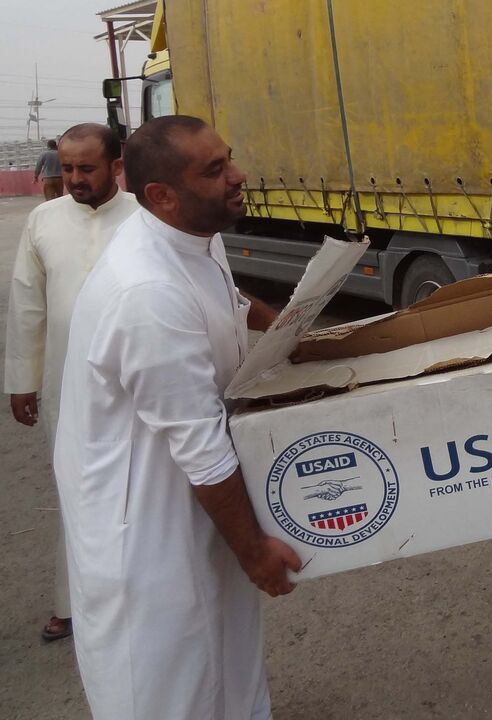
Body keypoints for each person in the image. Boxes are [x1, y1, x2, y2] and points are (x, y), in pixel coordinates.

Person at [54, 115, 299, 719]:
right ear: (161, 195)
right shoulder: (146, 294)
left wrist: (293, 331)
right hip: (142, 530)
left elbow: (227, 298)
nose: (238, 176)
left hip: (191, 504)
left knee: (229, 670)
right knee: (169, 688)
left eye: (229, 158)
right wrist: (254, 552)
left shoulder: (193, 235)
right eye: (215, 170)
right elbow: (201, 447)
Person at [5, 124, 138, 642]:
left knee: (139, 491)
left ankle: (138, 598)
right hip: (64, 384)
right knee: (74, 490)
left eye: (87, 168)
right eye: (67, 168)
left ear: (115, 165)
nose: (76, 179)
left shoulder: (144, 218)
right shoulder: (43, 220)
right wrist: (22, 380)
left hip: (132, 383)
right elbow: (27, 304)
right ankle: (72, 602)